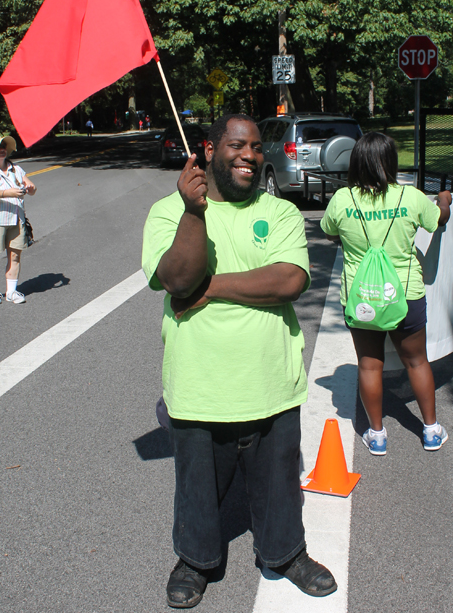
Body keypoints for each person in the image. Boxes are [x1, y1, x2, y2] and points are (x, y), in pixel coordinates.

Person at [142, 114, 336, 609]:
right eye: (236, 145)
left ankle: (286, 553)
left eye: (255, 146)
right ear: (209, 149)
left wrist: (213, 288)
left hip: (272, 382)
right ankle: (196, 560)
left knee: (278, 487)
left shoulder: (281, 211)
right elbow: (178, 279)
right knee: (197, 490)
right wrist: (193, 212)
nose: (249, 154)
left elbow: (290, 279)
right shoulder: (169, 212)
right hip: (200, 386)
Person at [320, 131, 451, 455]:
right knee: (417, 361)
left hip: (361, 296)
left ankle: (377, 435)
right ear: (390, 162)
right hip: (405, 294)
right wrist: (444, 200)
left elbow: (329, 232)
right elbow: (438, 222)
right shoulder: (411, 198)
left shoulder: (342, 199)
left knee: (368, 365)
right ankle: (431, 430)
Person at [0, 133, 37, 305]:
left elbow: (31, 187)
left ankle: (11, 291)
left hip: (15, 218)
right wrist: (6, 193)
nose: (1, 150)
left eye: (3, 147)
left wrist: (31, 188)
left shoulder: (15, 168)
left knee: (15, 256)